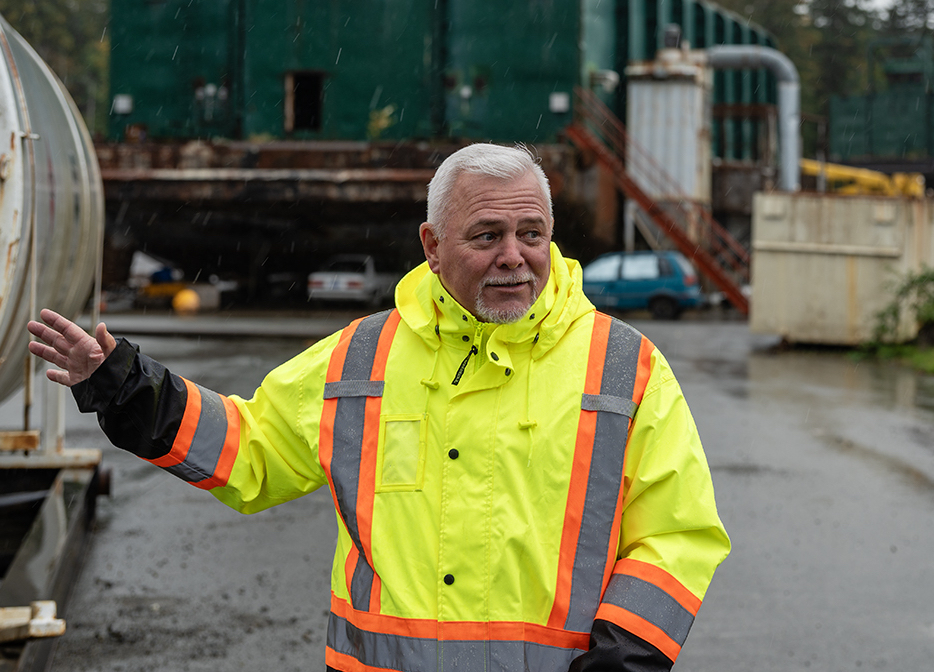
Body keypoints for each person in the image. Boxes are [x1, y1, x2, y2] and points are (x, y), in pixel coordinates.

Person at [28, 143, 730, 672]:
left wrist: (623, 658)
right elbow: (251, 450)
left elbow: (679, 535)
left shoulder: (625, 367)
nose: (516, 256)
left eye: (533, 233)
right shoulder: (360, 359)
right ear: (431, 246)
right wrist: (129, 387)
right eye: (488, 236)